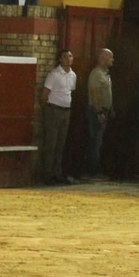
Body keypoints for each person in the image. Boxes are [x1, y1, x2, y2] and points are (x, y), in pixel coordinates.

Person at [40, 50, 77, 184]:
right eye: (65, 56)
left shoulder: (73, 75)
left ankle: (57, 173)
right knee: (51, 144)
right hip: (54, 110)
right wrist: (48, 110)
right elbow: (44, 94)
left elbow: (70, 91)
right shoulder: (54, 75)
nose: (68, 59)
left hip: (65, 111)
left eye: (70, 56)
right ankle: (47, 174)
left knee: (60, 145)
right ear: (60, 59)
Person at [84, 48, 114, 180]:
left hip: (104, 111)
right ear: (103, 58)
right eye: (111, 57)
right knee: (95, 142)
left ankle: (94, 171)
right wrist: (99, 112)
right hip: (97, 112)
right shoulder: (96, 74)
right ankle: (92, 172)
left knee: (98, 142)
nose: (113, 60)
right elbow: (95, 94)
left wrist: (110, 109)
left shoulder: (105, 74)